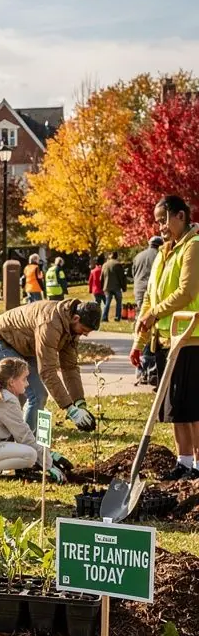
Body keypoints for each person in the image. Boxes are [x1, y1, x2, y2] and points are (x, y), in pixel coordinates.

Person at [132, 195, 199, 480]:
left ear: (181, 216)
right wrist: (139, 340)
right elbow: (149, 297)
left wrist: (155, 313)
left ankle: (198, 464)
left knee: (192, 406)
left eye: (164, 220)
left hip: (190, 338)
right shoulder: (163, 252)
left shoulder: (193, 247)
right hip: (164, 339)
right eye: (157, 221)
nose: (160, 227)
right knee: (173, 408)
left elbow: (187, 291)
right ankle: (183, 462)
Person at [0, 297, 101, 434]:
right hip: (1, 340)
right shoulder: (50, 323)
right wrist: (70, 408)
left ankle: (20, 438)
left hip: (25, 346)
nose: (85, 334)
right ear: (75, 318)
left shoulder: (71, 329)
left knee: (30, 395)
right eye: (85, 329)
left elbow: (69, 367)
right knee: (32, 395)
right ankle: (21, 440)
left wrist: (79, 402)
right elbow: (47, 371)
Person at [0, 357, 68, 483]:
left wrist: (48, 454)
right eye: (24, 379)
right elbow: (23, 434)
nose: (27, 383)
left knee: (30, 453)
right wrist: (48, 465)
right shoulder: (7, 400)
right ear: (12, 382)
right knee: (30, 455)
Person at [132, 236, 162, 386]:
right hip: (152, 295)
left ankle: (141, 371)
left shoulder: (138, 256)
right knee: (149, 330)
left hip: (139, 293)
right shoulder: (160, 255)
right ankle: (150, 369)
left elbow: (133, 274)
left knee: (140, 327)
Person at [100, 252, 127, 322]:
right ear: (116, 256)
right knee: (119, 302)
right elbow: (122, 277)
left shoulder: (105, 265)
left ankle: (104, 317)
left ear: (110, 256)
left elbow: (101, 278)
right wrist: (124, 287)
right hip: (116, 286)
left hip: (107, 286)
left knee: (107, 302)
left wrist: (102, 287)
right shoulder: (118, 264)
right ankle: (117, 317)